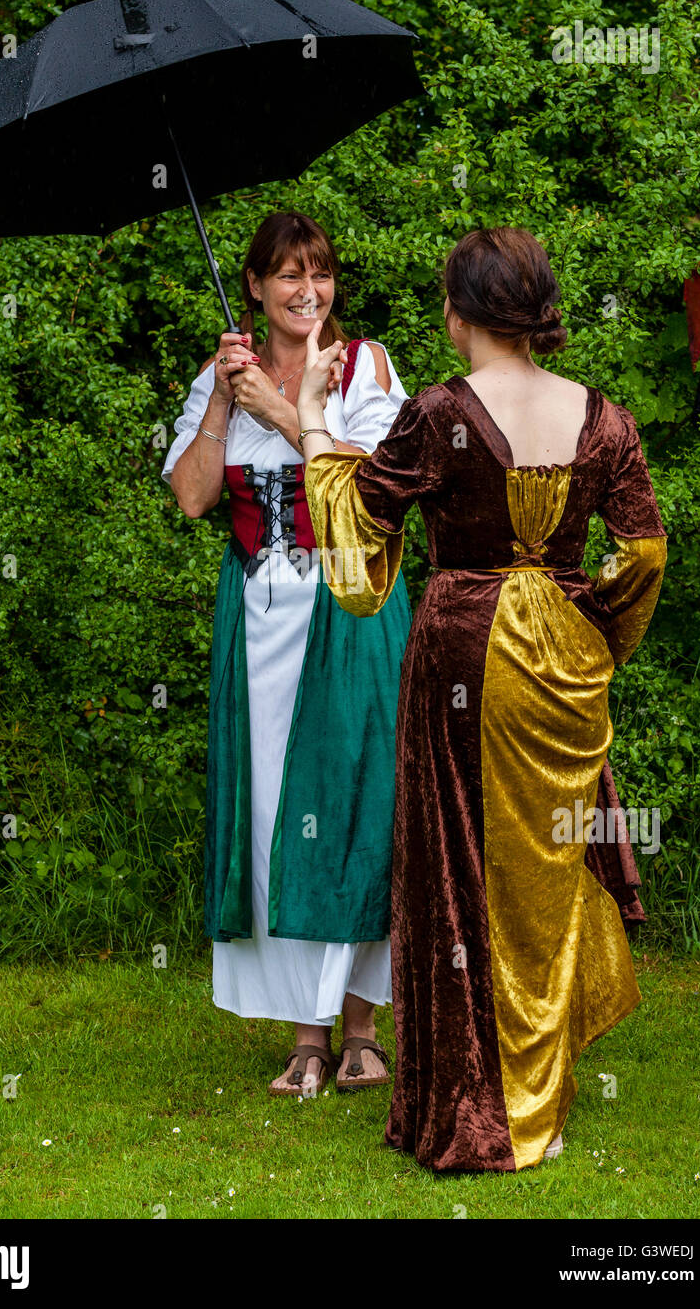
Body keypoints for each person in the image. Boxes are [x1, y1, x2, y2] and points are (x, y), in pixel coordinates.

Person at [298, 225, 667, 1170]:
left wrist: (307, 420)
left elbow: (355, 534)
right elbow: (646, 552)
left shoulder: (437, 413)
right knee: (544, 865)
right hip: (564, 662)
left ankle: (478, 1101)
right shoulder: (605, 418)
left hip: (464, 646)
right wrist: (595, 634)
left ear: (462, 313)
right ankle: (538, 1088)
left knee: (460, 871)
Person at [162, 212, 414, 1096]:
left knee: (351, 801)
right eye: (290, 276)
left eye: (322, 273)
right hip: (259, 618)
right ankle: (306, 1037)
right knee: (279, 807)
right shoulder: (219, 377)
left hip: (350, 601)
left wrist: (288, 412)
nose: (310, 291)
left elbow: (386, 486)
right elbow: (193, 500)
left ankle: (360, 1029)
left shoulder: (364, 367)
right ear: (258, 288)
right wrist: (231, 401)